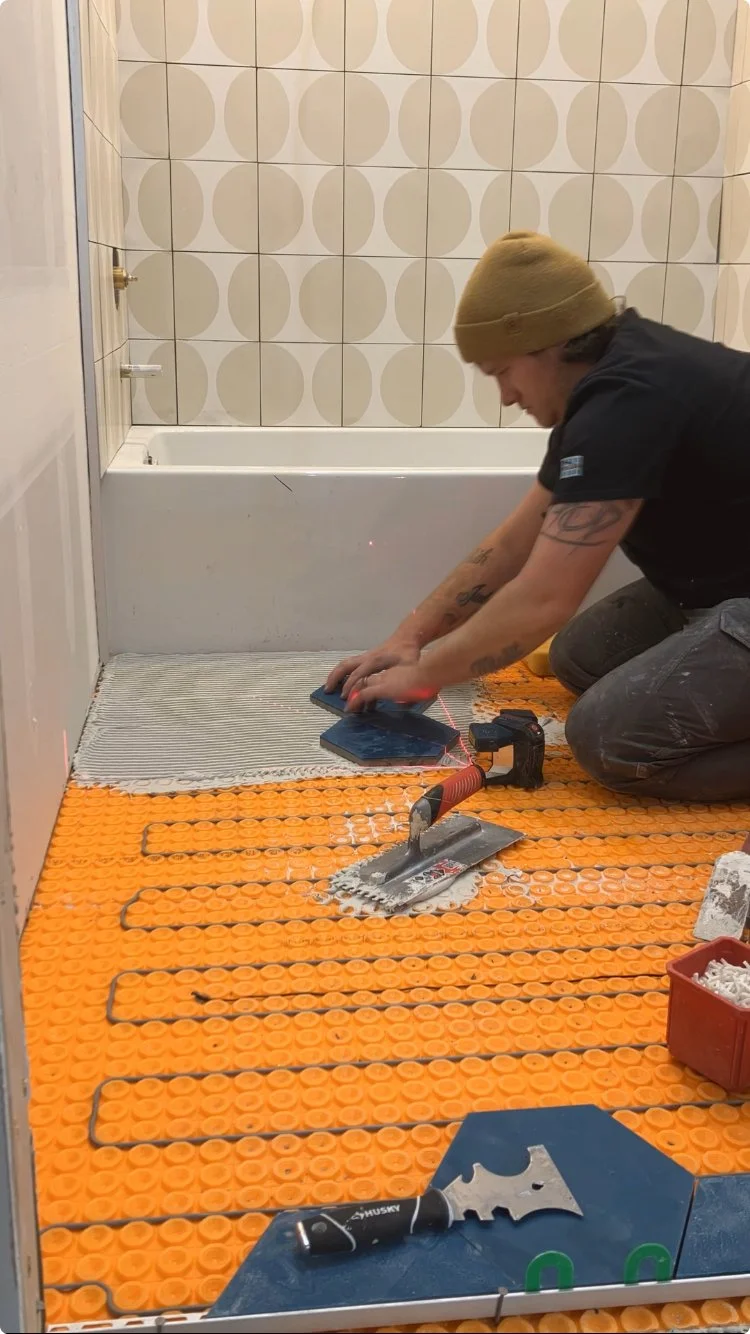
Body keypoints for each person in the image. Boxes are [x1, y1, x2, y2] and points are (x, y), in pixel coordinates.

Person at [326, 230, 750, 802]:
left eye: (501, 371)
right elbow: (513, 542)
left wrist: (422, 676)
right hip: (716, 589)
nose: (504, 396)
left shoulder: (629, 402)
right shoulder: (606, 383)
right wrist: (410, 640)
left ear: (550, 345)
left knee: (608, 739)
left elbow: (543, 599)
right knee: (580, 657)